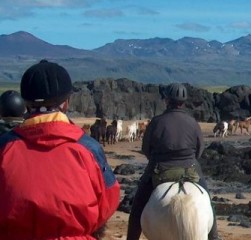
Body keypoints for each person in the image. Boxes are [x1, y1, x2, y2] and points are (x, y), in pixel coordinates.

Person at [0, 60, 120, 239]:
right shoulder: (88, 147)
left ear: (25, 103)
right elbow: (109, 200)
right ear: (66, 103)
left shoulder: (4, 146)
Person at [127, 83, 220, 240]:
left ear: (167, 100)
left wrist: (157, 159)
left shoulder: (157, 122)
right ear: (184, 102)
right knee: (207, 200)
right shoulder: (193, 122)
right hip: (190, 167)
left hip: (159, 168)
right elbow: (199, 149)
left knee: (138, 205)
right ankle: (214, 236)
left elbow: (146, 149)